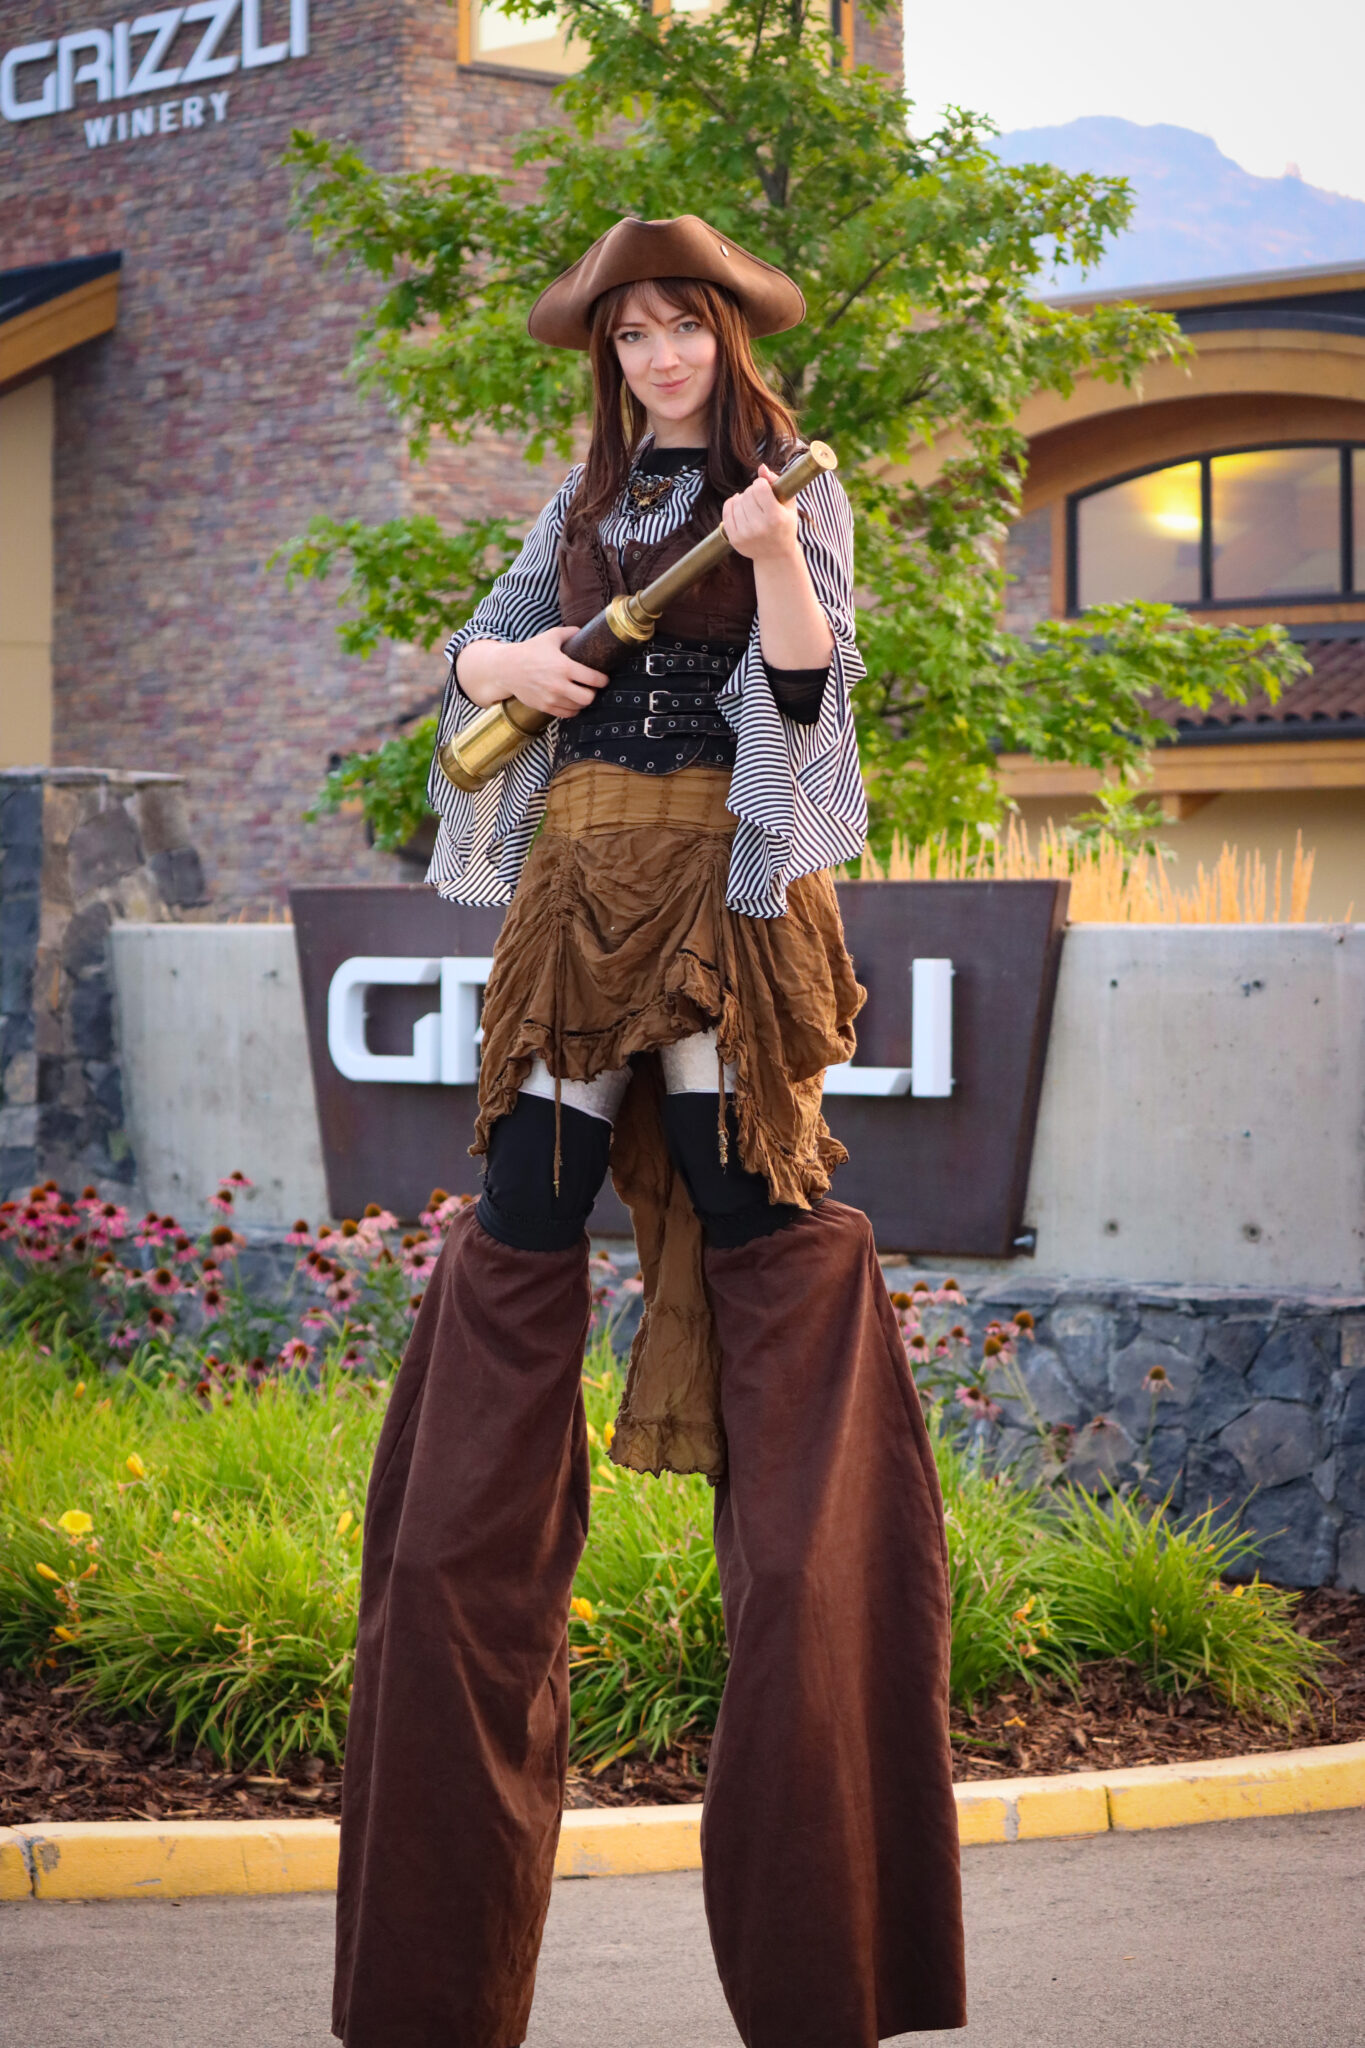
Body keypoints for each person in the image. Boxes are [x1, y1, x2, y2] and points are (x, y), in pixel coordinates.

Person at [332, 214, 966, 2048]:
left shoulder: (788, 488)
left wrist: (769, 559)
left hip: (723, 887)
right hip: (580, 869)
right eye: (634, 336)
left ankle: (815, 1925)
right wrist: (496, 678)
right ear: (607, 352)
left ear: (727, 341)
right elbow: (475, 650)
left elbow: (808, 687)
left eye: (684, 330)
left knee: (748, 1214)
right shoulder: (585, 502)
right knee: (520, 1216)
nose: (660, 359)